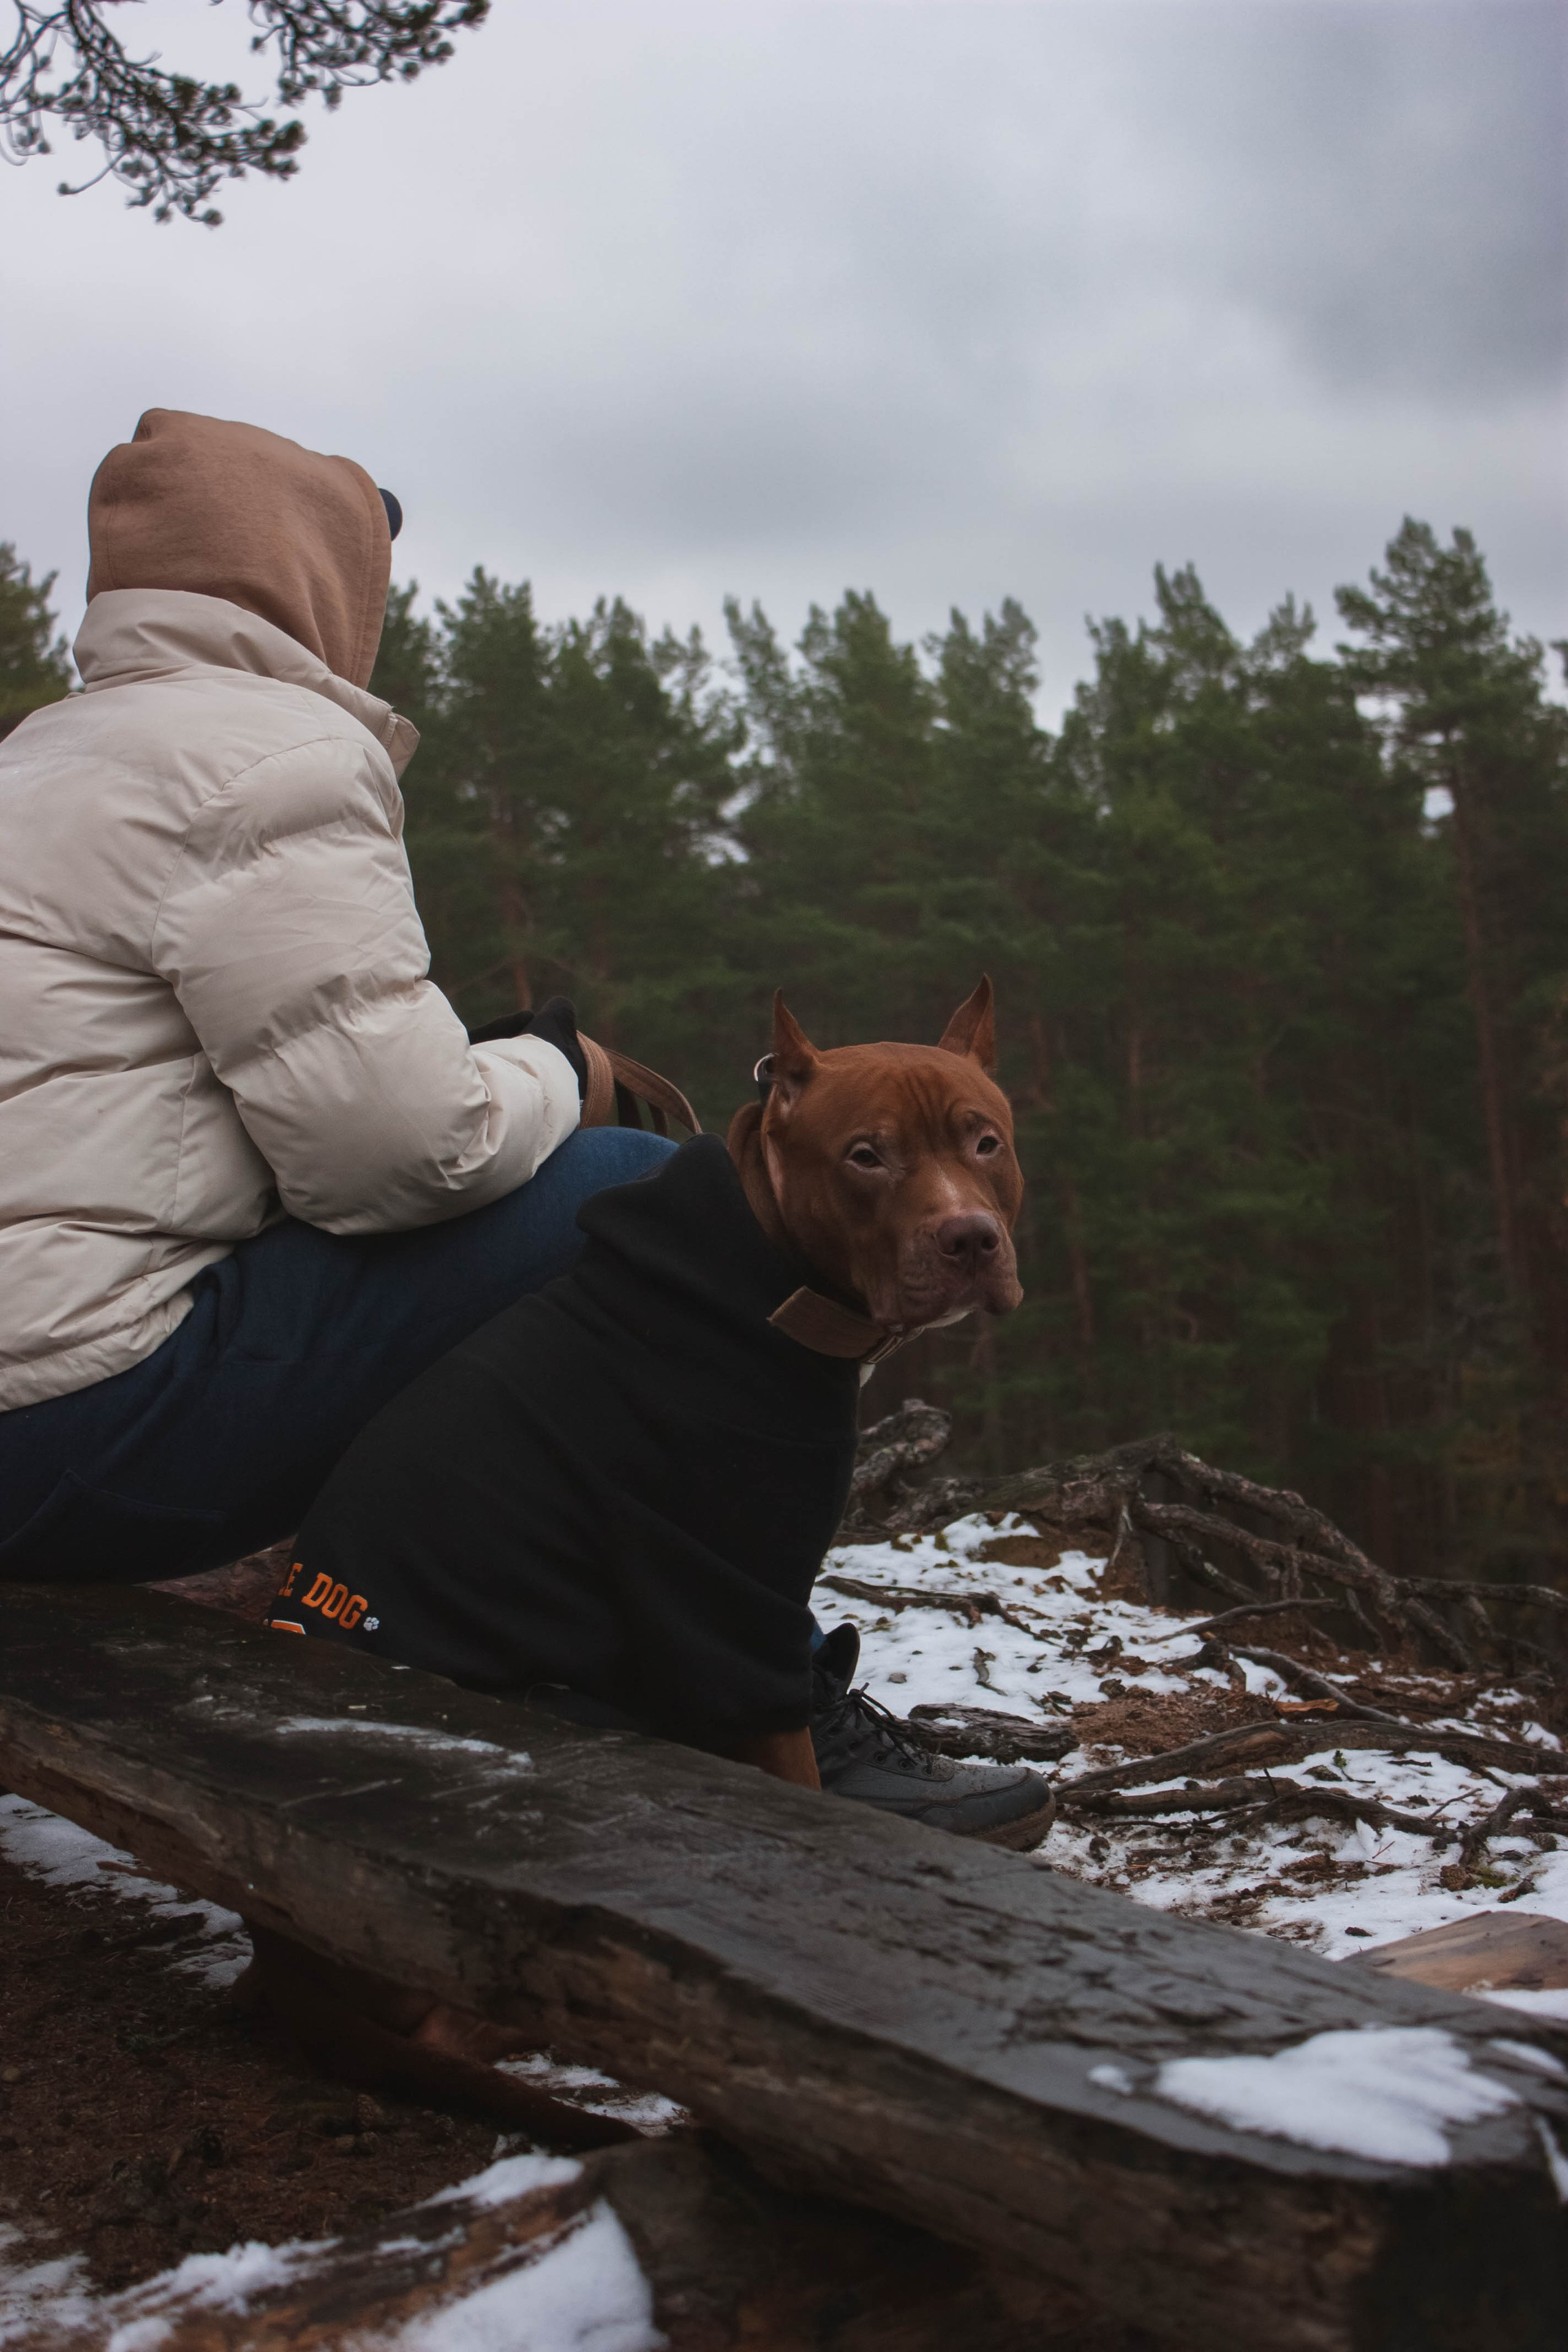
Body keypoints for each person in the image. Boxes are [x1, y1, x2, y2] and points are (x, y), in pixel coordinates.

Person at [0, 408, 1050, 1842]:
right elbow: (397, 1159)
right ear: (319, 582)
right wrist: (569, 1070)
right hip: (75, 1434)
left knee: (581, 1212)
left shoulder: (40, 760)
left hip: (36, 1408)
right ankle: (767, 1698)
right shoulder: (264, 762)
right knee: (633, 1198)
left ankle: (598, 1638)